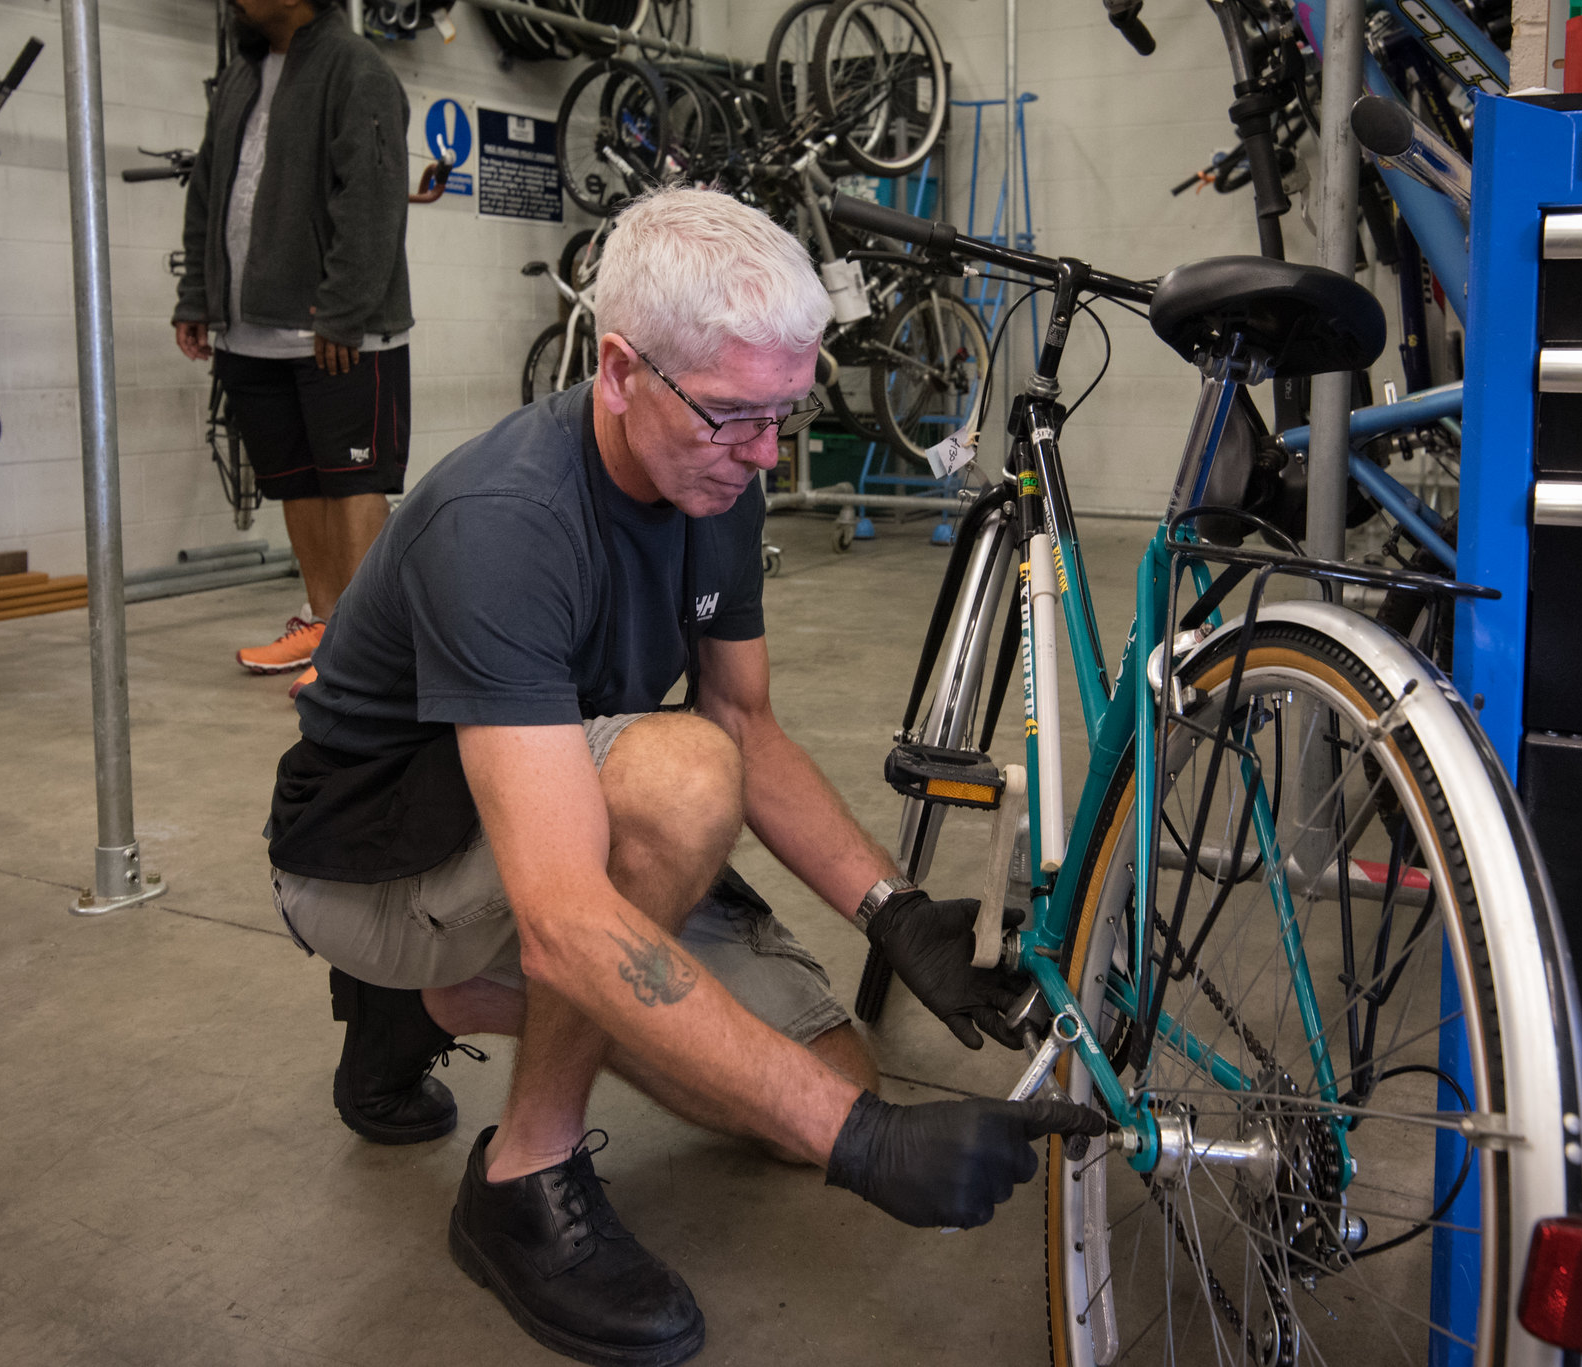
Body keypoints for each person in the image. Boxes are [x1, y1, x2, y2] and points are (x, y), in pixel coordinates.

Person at [264, 187, 1101, 1367]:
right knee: (679, 786)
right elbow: (565, 915)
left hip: (537, 804)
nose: (763, 453)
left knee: (814, 1076)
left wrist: (893, 910)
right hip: (372, 858)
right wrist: (861, 1141)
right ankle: (521, 1171)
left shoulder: (718, 474)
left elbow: (749, 719)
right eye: (730, 418)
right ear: (618, 370)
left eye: (784, 416)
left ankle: (437, 1002)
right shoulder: (507, 521)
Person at [171, 0, 412, 696]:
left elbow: (371, 199)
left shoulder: (357, 68)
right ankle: (323, 619)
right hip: (251, 329)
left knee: (353, 480)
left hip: (336, 327)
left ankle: (363, 651)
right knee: (296, 480)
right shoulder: (240, 78)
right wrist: (199, 295)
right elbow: (208, 193)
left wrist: (342, 311)